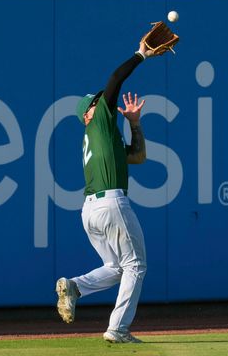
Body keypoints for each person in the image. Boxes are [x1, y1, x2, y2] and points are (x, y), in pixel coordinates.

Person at [55, 36, 160, 344]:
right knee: (136, 266)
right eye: (97, 102)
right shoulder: (98, 122)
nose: (103, 102)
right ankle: (118, 329)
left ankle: (74, 286)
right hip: (112, 205)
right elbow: (115, 80)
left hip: (90, 211)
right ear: (89, 113)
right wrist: (141, 54)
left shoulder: (104, 138)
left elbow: (137, 157)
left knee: (117, 268)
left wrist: (135, 123)